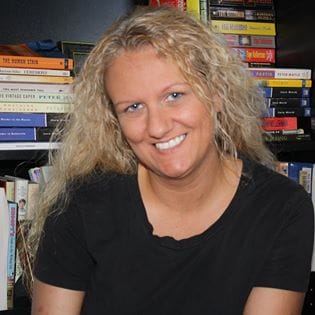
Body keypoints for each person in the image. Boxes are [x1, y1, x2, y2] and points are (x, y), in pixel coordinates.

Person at [29, 5, 314, 315]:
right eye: (133, 107)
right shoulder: (81, 206)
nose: (157, 127)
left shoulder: (282, 208)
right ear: (113, 121)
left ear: (216, 93)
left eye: (174, 96)